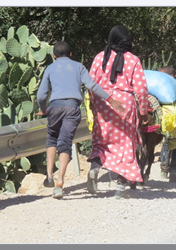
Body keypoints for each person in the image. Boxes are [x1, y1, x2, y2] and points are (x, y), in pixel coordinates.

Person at [36, 41, 125, 199]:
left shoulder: (49, 68)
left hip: (54, 107)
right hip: (72, 107)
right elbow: (92, 85)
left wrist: (43, 108)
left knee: (52, 138)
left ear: (53, 56)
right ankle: (60, 183)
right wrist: (110, 99)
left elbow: (41, 95)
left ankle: (49, 175)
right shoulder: (78, 67)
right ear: (70, 54)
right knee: (65, 142)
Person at [85, 25, 149, 199]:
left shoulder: (99, 58)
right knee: (126, 144)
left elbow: (90, 83)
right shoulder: (133, 60)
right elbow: (142, 89)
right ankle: (121, 187)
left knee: (102, 140)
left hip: (103, 103)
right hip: (125, 104)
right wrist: (143, 111)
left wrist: (93, 103)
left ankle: (95, 169)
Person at [159, 66, 176, 182]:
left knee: (167, 144)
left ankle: (164, 170)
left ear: (171, 77)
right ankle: (173, 170)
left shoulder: (165, 88)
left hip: (168, 121)